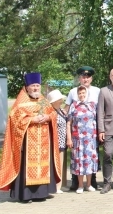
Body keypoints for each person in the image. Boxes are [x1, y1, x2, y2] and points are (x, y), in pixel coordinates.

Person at [0, 73, 61, 203]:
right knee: (26, 166)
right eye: (33, 86)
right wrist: (32, 119)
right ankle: (26, 195)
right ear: (27, 87)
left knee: (43, 165)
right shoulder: (20, 101)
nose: (35, 88)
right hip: (27, 141)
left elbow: (53, 114)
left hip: (43, 141)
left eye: (37, 86)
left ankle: (41, 193)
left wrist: (48, 117)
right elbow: (14, 120)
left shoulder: (43, 100)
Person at [64, 66, 100, 190]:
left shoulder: (97, 91)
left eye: (88, 77)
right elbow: (67, 109)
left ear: (91, 78)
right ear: (79, 78)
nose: (85, 79)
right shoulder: (73, 91)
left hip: (91, 133)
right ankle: (76, 182)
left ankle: (92, 181)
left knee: (92, 156)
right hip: (77, 133)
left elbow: (100, 112)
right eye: (83, 77)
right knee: (77, 157)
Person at [47, 89, 68, 194]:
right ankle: (55, 186)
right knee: (56, 164)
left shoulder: (60, 110)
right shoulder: (51, 111)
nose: (61, 101)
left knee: (61, 163)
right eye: (59, 100)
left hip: (62, 141)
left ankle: (59, 185)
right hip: (55, 142)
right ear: (53, 101)